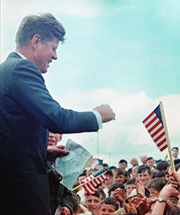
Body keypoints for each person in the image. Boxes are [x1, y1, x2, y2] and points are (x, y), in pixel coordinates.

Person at [0, 13, 115, 214]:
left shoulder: (5, 71)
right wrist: (97, 115)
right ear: (36, 41)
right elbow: (56, 117)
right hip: (21, 194)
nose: (55, 56)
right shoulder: (21, 68)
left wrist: (42, 152)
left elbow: (9, 139)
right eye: (53, 48)